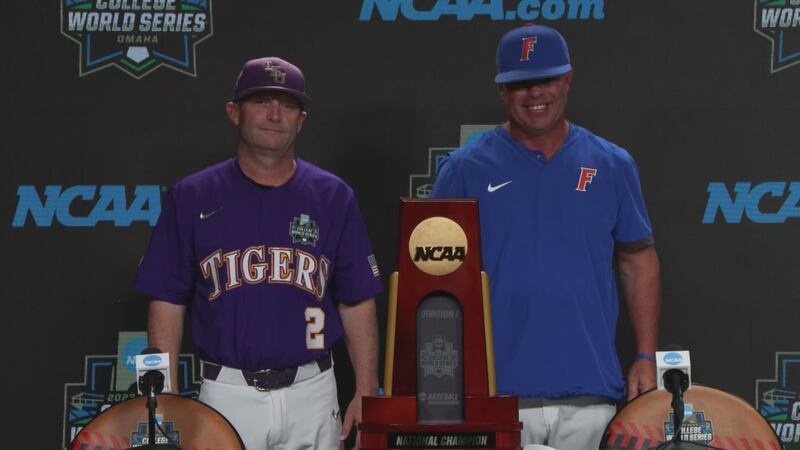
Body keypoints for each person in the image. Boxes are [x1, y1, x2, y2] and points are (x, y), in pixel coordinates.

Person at [134, 56, 382, 450]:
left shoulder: (334, 196)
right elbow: (167, 299)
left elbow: (356, 300)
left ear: (301, 119)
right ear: (234, 112)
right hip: (226, 392)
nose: (274, 114)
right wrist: (167, 399)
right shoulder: (192, 196)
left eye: (287, 104)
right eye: (261, 101)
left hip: (312, 390)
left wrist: (367, 389)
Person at [431, 24, 661, 449]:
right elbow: (433, 281)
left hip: (589, 391)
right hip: (493, 395)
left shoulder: (612, 164)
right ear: (502, 90)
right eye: (521, 83)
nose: (535, 94)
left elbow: (637, 258)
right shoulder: (463, 170)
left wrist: (645, 356)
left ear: (568, 79)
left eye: (547, 79)